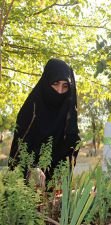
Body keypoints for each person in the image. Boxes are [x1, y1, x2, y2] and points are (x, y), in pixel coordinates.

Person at [9, 58, 80, 186]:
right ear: (46, 82)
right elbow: (18, 150)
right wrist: (31, 170)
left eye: (65, 86)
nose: (59, 91)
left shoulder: (67, 112)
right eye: (55, 84)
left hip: (55, 188)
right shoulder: (30, 110)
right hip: (25, 188)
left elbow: (72, 144)